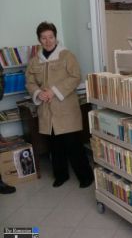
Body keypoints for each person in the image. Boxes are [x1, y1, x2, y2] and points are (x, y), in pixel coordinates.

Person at [25, 21, 94, 188]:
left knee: (73, 145)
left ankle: (85, 176)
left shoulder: (67, 56)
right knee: (54, 146)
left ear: (55, 37)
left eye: (51, 37)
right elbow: (29, 82)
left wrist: (53, 91)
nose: (48, 41)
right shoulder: (35, 61)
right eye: (44, 38)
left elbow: (75, 76)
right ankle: (61, 175)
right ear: (39, 40)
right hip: (46, 110)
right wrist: (38, 93)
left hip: (66, 109)